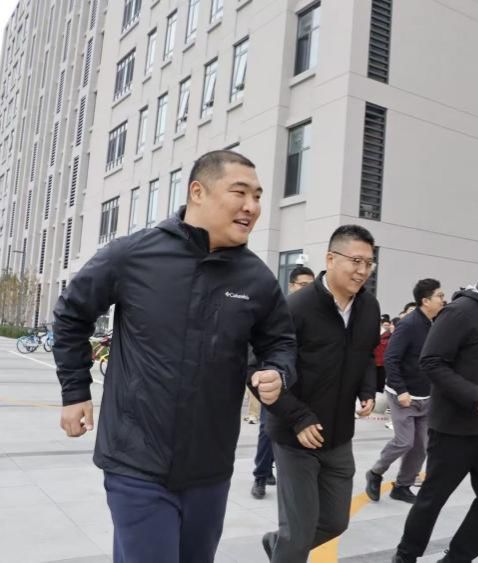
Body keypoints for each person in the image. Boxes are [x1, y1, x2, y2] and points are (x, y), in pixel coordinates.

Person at [52, 150, 297, 563]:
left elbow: (280, 341)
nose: (252, 207)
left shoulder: (257, 278)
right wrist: (75, 391)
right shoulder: (133, 255)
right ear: (197, 192)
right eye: (239, 193)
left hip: (209, 468)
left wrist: (278, 371)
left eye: (257, 196)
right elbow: (71, 314)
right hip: (135, 460)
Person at [393, 242, 478, 563]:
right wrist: (474, 395)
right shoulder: (459, 312)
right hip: (453, 429)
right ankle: (405, 557)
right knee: (432, 499)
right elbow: (431, 361)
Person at [261, 225, 380, 563]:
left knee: (335, 521)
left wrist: (367, 388)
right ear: (330, 258)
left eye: (369, 263)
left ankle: (279, 546)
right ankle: (287, 548)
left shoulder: (369, 307)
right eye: (355, 261)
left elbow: (366, 353)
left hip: (339, 435)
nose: (362, 271)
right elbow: (261, 368)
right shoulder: (296, 307)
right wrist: (298, 417)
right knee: (298, 536)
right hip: (295, 436)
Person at [366, 279, 446, 504]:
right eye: (440, 296)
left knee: (420, 447)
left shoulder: (434, 323)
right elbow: (391, 358)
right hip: (403, 395)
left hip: (426, 396)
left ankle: (402, 486)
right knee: (404, 441)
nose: (443, 300)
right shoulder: (409, 324)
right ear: (426, 300)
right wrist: (401, 390)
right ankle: (375, 472)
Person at [251, 265, 315, 500]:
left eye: (311, 286)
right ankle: (260, 475)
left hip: (300, 382)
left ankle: (273, 470)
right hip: (275, 377)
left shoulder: (314, 312)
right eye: (303, 285)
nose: (307, 290)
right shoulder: (279, 310)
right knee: (267, 428)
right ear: (291, 285)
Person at [374, 315, 394, 393]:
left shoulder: (389, 335)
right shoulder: (373, 333)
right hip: (374, 361)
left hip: (383, 362)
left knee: (381, 380)